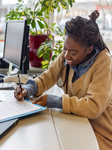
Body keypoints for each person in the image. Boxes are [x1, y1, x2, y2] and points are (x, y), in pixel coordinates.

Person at [14, 10, 112, 149]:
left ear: (89, 49)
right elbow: (47, 77)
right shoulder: (67, 55)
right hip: (76, 123)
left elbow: (93, 107)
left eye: (73, 52)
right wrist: (27, 89)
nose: (66, 55)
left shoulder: (104, 63)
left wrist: (56, 101)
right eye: (65, 48)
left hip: (100, 135)